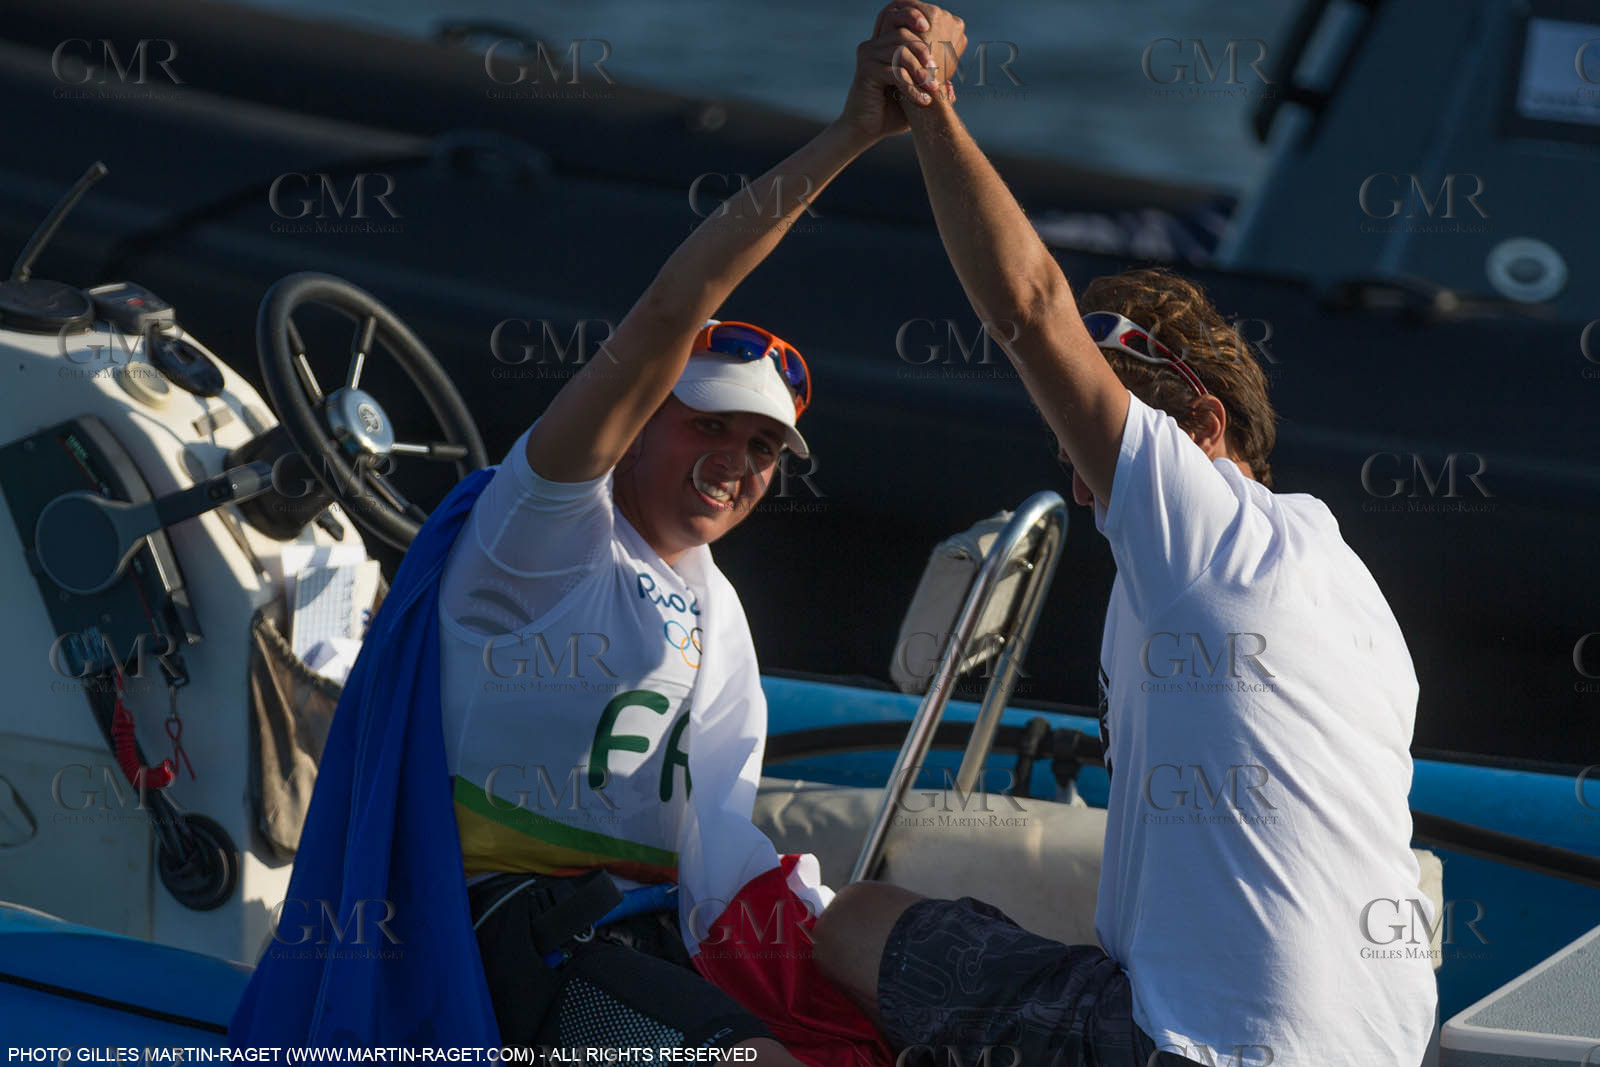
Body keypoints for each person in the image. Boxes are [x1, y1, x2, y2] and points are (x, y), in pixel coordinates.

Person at [813, 5, 1439, 1066]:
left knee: (855, 919)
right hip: (1383, 1045)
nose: (1081, 474)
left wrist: (930, 107)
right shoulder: (1348, 583)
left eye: (1099, 430)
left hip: (1194, 1050)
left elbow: (1028, 307)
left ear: (1205, 428)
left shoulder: (1202, 524)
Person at [426, 13, 959, 1062]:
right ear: (637, 421)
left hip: (648, 936)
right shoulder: (540, 534)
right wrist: (851, 135)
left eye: (762, 445)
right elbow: (677, 303)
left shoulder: (717, 604)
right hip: (508, 949)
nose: (736, 460)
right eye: (707, 424)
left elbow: (720, 844)